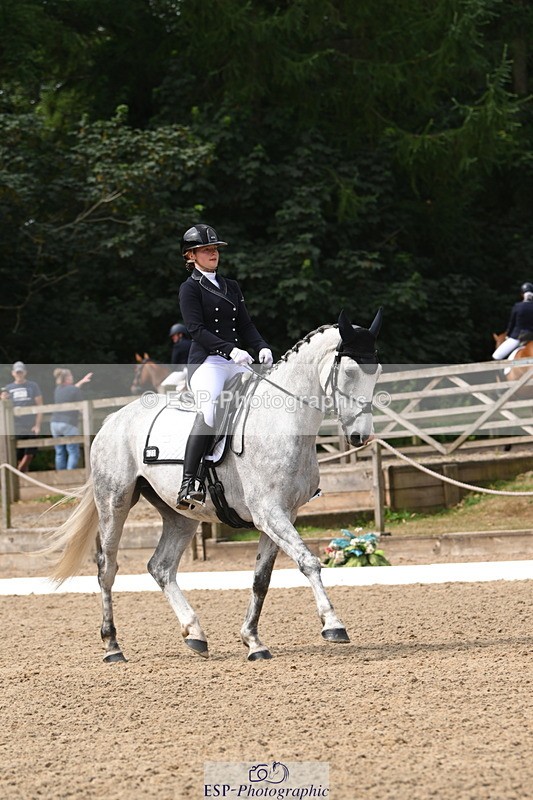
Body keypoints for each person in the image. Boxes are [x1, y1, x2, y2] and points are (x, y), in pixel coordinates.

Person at [177, 223, 273, 508]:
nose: (212, 253)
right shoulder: (189, 288)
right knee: (210, 408)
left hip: (237, 358)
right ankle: (189, 481)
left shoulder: (231, 286)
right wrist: (230, 351)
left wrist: (261, 346)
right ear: (191, 256)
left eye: (215, 249)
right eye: (206, 250)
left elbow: (245, 324)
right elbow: (195, 329)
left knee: (269, 399)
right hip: (208, 362)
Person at [1, 361, 43, 472]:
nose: (19, 374)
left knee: (31, 450)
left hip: (30, 423)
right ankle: (21, 473)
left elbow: (40, 405)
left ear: (25, 372)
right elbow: (4, 407)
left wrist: (37, 424)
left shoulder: (32, 386)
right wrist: (3, 399)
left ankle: (20, 470)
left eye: (21, 372)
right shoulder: (8, 388)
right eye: (17, 372)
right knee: (17, 452)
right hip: (15, 424)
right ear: (13, 373)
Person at [50, 368, 93, 470]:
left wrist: (81, 381)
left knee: (59, 452)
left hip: (54, 423)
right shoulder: (74, 390)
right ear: (67, 378)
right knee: (73, 451)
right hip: (68, 423)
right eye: (70, 376)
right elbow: (81, 407)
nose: (72, 377)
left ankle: (61, 477)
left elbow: (72, 389)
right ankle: (70, 474)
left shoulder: (58, 389)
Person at [492, 282, 533, 360]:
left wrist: (508, 335)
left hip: (518, 337)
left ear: (522, 294)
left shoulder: (517, 306)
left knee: (496, 356)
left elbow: (512, 324)